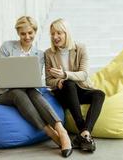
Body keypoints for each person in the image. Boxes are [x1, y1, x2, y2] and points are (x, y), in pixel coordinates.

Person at [0, 16, 72, 158]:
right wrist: (12, 81)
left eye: (30, 33)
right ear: (18, 33)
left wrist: (29, 82)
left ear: (35, 32)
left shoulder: (39, 54)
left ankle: (60, 130)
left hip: (29, 91)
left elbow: (35, 79)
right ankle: (50, 132)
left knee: (33, 91)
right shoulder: (7, 47)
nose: (27, 37)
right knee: (17, 92)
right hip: (4, 93)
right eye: (23, 34)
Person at [45, 18, 105, 153]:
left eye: (59, 33)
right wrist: (59, 82)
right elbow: (48, 81)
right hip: (63, 92)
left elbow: (83, 74)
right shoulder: (49, 53)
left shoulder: (80, 48)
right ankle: (83, 130)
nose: (55, 37)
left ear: (67, 33)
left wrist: (65, 74)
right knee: (69, 84)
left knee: (99, 94)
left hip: (80, 88)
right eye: (52, 34)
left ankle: (84, 134)